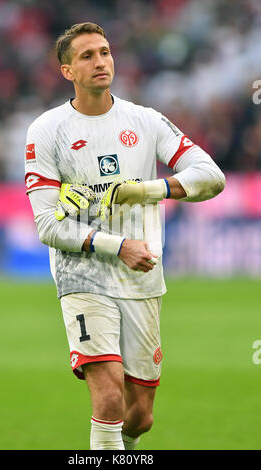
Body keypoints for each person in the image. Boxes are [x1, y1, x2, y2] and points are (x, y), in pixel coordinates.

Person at [24, 22, 225, 450]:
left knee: (140, 416)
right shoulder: (46, 130)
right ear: (67, 72)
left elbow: (212, 177)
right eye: (86, 56)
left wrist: (148, 190)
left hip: (142, 277)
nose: (100, 61)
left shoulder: (145, 121)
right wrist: (119, 246)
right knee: (110, 394)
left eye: (105, 52)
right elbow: (48, 224)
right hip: (84, 274)